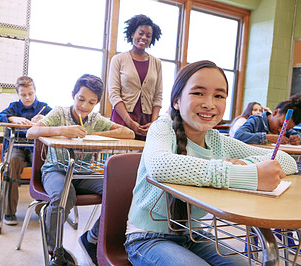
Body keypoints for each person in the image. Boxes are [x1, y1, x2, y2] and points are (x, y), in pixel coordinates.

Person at [124, 60, 298, 265]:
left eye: (219, 96)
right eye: (198, 93)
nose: (209, 103)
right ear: (177, 101)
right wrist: (243, 174)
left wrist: (246, 165)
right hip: (148, 238)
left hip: (195, 236)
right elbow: (161, 166)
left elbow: (287, 161)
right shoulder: (162, 128)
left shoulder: (216, 140)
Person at [26, 74, 135, 265]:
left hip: (82, 172)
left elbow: (129, 133)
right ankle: (55, 251)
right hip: (55, 170)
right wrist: (62, 130)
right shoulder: (60, 113)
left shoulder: (94, 118)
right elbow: (31, 132)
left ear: (97, 103)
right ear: (73, 95)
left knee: (123, 194)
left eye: (92, 102)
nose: (85, 106)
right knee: (63, 196)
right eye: (81, 99)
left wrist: (92, 134)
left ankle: (91, 239)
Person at [0, 75, 52, 225]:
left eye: (30, 94)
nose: (27, 98)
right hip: (17, 147)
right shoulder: (14, 107)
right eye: (23, 95)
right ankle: (9, 212)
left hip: (36, 147)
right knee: (12, 163)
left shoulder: (44, 107)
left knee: (44, 166)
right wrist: (12, 119)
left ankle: (41, 210)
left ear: (35, 91)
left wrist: (45, 120)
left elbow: (59, 121)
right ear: (18, 94)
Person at [108, 14, 163, 140]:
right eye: (141, 33)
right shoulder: (118, 59)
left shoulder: (157, 63)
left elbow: (158, 96)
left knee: (143, 158)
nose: (144, 37)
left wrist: (153, 124)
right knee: (120, 158)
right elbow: (114, 94)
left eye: (148, 35)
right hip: (122, 119)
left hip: (147, 122)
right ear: (132, 34)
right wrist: (130, 122)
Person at [234, 94, 301, 145]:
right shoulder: (256, 121)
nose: (281, 131)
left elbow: (297, 135)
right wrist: (267, 138)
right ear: (275, 112)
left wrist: (297, 138)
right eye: (280, 125)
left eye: (286, 129)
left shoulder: (285, 127)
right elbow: (238, 135)